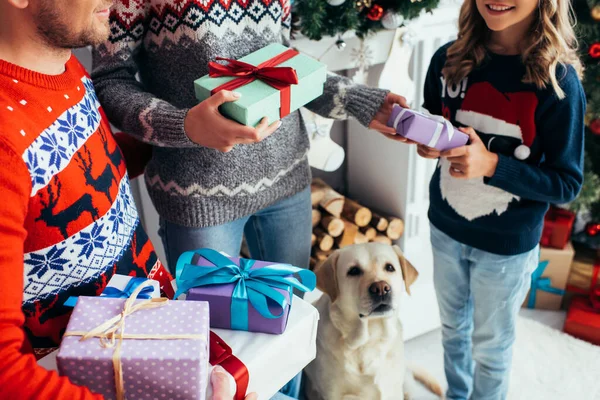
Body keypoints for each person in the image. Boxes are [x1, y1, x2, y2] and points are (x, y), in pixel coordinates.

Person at [0, 1, 251, 399]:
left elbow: (83, 169)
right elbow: (6, 374)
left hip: (157, 330)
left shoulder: (63, 67)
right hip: (102, 375)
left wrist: (187, 133)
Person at [91, 0, 407, 279]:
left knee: (290, 318)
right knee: (214, 329)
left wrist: (361, 101)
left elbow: (284, 65)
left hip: (288, 181)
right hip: (199, 196)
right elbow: (110, 79)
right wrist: (183, 124)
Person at [418, 0, 585, 398]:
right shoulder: (449, 58)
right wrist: (423, 137)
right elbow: (433, 116)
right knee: (453, 330)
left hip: (506, 249)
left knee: (491, 347)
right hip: (446, 227)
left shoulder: (557, 81)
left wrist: (493, 164)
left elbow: (565, 183)